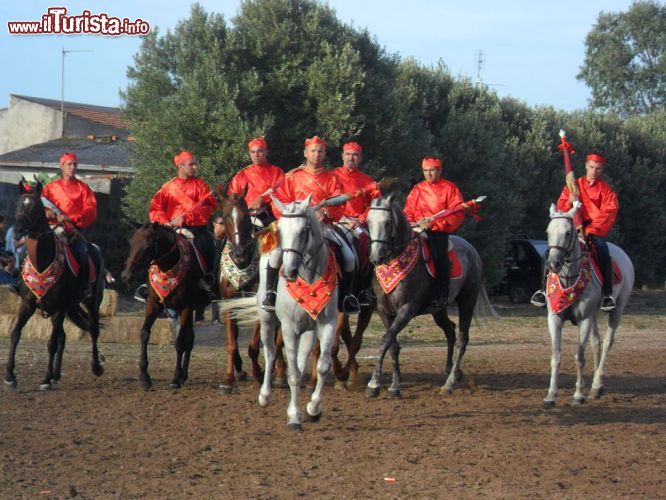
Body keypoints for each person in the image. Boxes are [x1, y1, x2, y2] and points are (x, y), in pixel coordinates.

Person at [263, 136, 360, 313]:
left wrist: (326, 212)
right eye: (313, 151)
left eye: (320, 151)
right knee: (275, 254)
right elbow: (280, 201)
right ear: (305, 153)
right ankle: (270, 293)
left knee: (349, 256)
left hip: (323, 227)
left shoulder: (332, 178)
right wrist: (292, 215)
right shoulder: (292, 177)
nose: (317, 154)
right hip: (295, 227)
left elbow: (339, 203)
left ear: (325, 154)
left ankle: (347, 296)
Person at [531, 153, 619, 311]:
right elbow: (560, 208)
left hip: (593, 231)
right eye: (592, 167)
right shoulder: (573, 185)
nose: (594, 171)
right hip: (570, 229)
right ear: (586, 165)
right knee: (550, 252)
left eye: (598, 168)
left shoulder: (606, 191)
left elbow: (609, 212)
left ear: (602, 169)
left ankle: (607, 294)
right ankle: (543, 290)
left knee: (603, 252)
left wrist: (590, 231)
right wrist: (569, 202)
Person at [149, 150, 218, 294]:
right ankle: (149, 285)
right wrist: (165, 222)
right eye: (191, 164)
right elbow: (156, 208)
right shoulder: (167, 188)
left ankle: (209, 278)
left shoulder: (201, 185)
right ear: (180, 166)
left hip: (196, 230)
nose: (195, 167)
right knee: (149, 248)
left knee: (210, 246)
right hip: (170, 229)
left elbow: (208, 208)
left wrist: (186, 218)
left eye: (195, 164)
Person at [404, 156, 464, 308]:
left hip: (438, 231)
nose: (428, 174)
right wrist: (411, 222)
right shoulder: (417, 189)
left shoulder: (450, 188)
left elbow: (456, 213)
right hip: (417, 229)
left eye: (432, 170)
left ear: (439, 170)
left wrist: (434, 224)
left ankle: (442, 294)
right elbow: (408, 209)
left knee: (439, 257)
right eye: (425, 171)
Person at [42, 152, 98, 299]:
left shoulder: (83, 188)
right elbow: (42, 206)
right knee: (28, 250)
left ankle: (84, 287)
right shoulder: (49, 188)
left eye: (75, 164)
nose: (72, 167)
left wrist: (71, 217)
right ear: (62, 166)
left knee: (82, 254)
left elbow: (90, 209)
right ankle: (19, 281)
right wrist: (51, 214)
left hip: (72, 230)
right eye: (69, 164)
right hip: (52, 229)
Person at [331, 141, 381, 305]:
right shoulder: (331, 176)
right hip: (332, 221)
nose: (351, 158)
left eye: (355, 155)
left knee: (369, 245)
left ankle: (363, 290)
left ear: (360, 158)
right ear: (342, 156)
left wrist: (360, 219)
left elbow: (375, 205)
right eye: (348, 154)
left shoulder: (368, 181)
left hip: (356, 224)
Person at [227, 137, 285, 229]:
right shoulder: (241, 175)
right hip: (245, 218)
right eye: (253, 152)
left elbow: (281, 193)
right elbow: (232, 198)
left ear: (266, 152)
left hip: (269, 217)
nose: (256, 155)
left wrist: (263, 198)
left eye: (260, 151)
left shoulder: (277, 172)